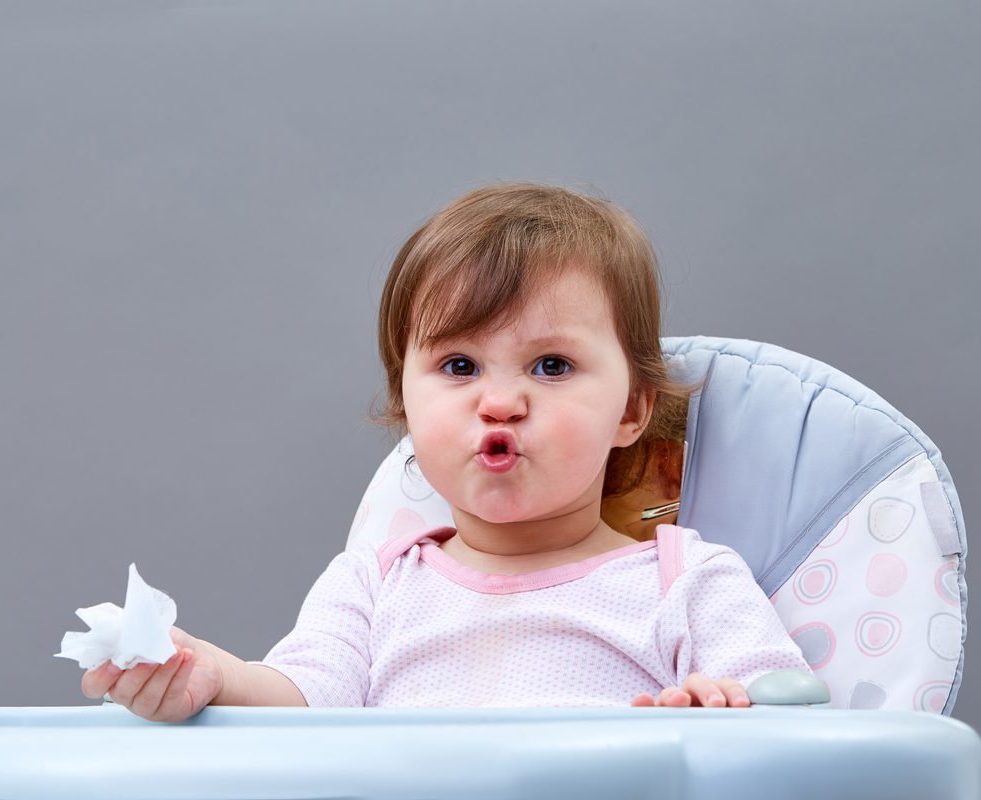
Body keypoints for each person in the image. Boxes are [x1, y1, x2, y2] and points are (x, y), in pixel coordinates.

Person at [80, 184, 812, 720]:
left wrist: (725, 706)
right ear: (408, 405)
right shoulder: (373, 587)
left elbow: (793, 711)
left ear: (631, 411)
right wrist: (209, 675)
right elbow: (301, 704)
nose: (500, 401)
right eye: (459, 367)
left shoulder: (686, 582)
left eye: (551, 366)